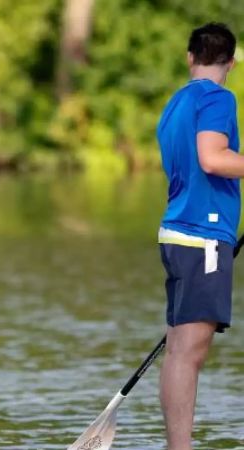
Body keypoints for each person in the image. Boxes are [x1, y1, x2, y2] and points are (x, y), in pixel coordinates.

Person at [156, 22, 240, 450]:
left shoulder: (175, 103)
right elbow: (212, 158)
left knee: (178, 351)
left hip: (175, 234)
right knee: (189, 353)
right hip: (203, 234)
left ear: (190, 57)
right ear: (231, 60)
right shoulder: (218, 97)